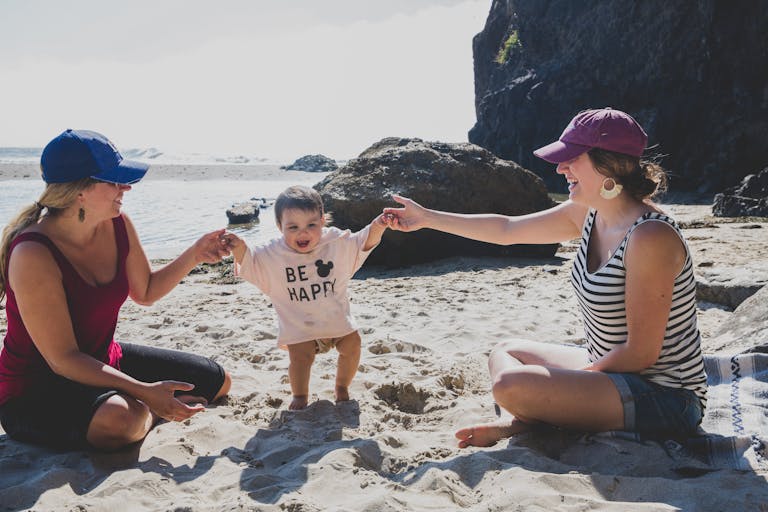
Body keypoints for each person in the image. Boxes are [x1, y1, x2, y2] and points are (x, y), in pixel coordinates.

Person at [383, 108, 707, 447]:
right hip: (610, 368)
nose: (560, 167)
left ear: (608, 164)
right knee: (507, 352)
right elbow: (506, 229)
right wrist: (427, 218)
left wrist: (569, 382)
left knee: (511, 386)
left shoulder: (650, 237)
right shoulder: (589, 215)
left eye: (571, 158)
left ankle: (529, 418)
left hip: (666, 396)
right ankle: (522, 421)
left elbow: (641, 353)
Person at [0, 129, 232, 451]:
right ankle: (150, 413)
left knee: (218, 382)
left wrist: (195, 254)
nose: (126, 188)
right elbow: (63, 359)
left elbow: (146, 291)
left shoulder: (117, 222)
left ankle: (142, 405)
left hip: (102, 360)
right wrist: (144, 392)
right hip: (37, 391)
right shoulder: (33, 253)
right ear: (80, 190)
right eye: (114, 180)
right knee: (123, 420)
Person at [223, 185, 388, 410]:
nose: (303, 233)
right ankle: (300, 395)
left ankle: (342, 387)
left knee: (353, 345)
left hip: (336, 320)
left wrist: (378, 226)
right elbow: (251, 262)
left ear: (322, 220)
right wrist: (239, 247)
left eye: (311, 225)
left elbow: (362, 243)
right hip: (299, 326)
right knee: (300, 359)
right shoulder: (273, 253)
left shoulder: (334, 242)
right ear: (280, 226)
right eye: (293, 227)